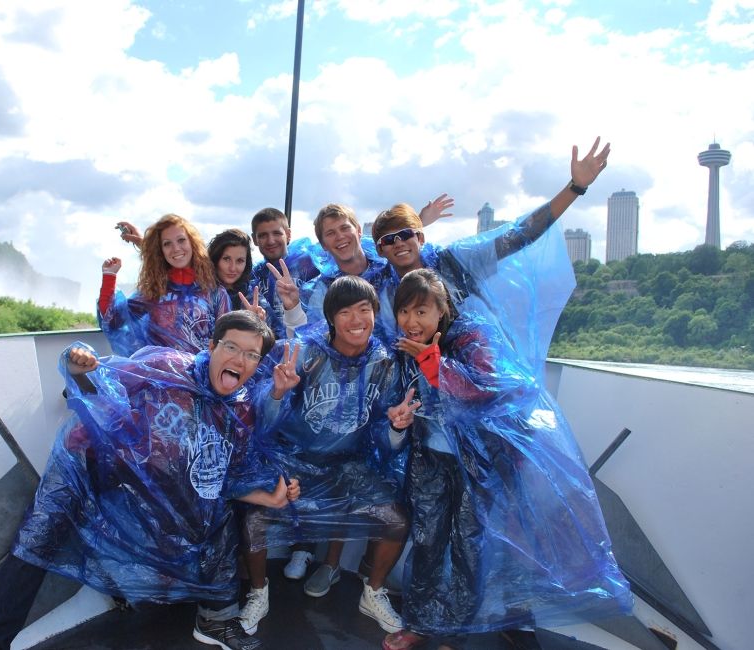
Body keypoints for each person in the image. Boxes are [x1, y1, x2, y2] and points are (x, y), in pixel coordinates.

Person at [0, 310, 301, 650]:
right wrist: (79, 365)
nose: (239, 359)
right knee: (41, 530)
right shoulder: (167, 365)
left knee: (215, 521)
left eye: (251, 354)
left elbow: (221, 478)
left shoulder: (238, 408)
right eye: (231, 347)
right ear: (212, 345)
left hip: (151, 481)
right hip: (92, 465)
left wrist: (270, 498)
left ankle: (215, 619)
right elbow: (101, 381)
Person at [381, 277, 632, 644]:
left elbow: (482, 388)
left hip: (474, 465)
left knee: (468, 546)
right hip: (431, 458)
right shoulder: (404, 348)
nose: (411, 319)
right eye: (404, 311)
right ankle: (420, 624)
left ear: (442, 309)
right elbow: (398, 398)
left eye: (421, 310)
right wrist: (398, 419)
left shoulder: (471, 339)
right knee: (427, 540)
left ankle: (455, 631)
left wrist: (431, 360)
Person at [238, 276, 419, 636]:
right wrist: (276, 393)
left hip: (347, 468)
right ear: (331, 318)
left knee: (397, 519)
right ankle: (258, 593)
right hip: (294, 462)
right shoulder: (305, 353)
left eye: (364, 310)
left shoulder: (383, 363)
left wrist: (397, 428)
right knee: (254, 520)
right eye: (345, 312)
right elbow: (265, 425)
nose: (356, 320)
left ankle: (374, 591)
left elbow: (383, 440)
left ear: (375, 313)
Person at [371, 138, 610, 359]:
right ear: (380, 250)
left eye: (405, 234)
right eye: (388, 240)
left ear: (421, 236)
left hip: (479, 369)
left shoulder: (456, 262)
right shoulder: (380, 288)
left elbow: (520, 234)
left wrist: (575, 187)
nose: (399, 243)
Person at [98, 213, 231, 356]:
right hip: (160, 374)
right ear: (160, 250)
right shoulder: (153, 292)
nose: (176, 248)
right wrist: (109, 276)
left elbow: (228, 341)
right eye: (167, 243)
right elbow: (112, 319)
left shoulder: (215, 293)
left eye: (181, 240)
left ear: (192, 243)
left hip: (203, 375)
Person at [298, 204, 387, 324]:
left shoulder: (388, 271)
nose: (340, 237)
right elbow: (317, 336)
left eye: (345, 228)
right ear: (323, 244)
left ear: (359, 231)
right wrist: (292, 308)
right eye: (330, 233)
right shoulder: (322, 290)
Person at [248, 207, 322, 340]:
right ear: (254, 239)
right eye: (263, 235)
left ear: (288, 234)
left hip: (307, 345)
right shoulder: (254, 275)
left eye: (277, 233)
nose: (271, 241)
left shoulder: (311, 264)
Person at [208, 228, 258, 311]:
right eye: (226, 259)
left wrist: (258, 322)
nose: (232, 268)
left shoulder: (253, 296)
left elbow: (276, 323)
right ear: (215, 259)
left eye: (240, 261)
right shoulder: (199, 294)